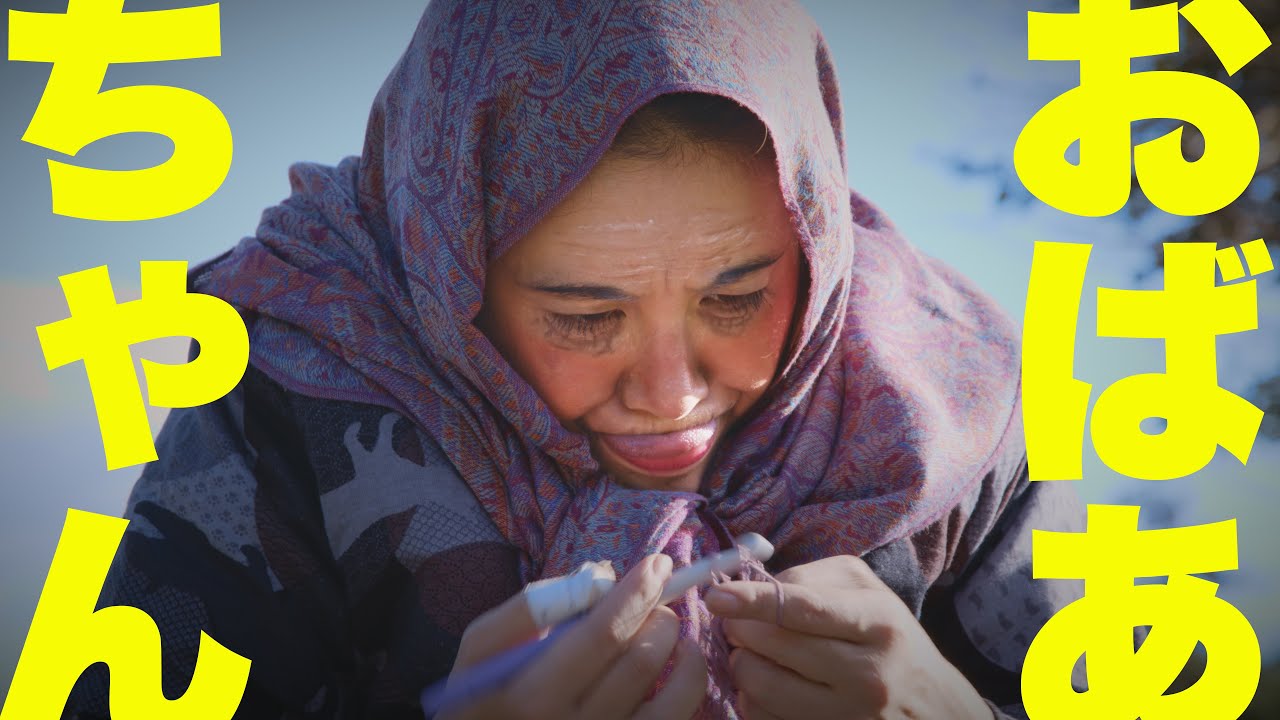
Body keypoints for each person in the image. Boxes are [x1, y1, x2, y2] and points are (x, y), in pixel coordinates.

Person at [66, 1, 1084, 718]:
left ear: (813, 246)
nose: (671, 396)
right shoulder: (289, 389)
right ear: (449, 273)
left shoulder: (956, 404)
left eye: (736, 299)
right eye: (585, 315)